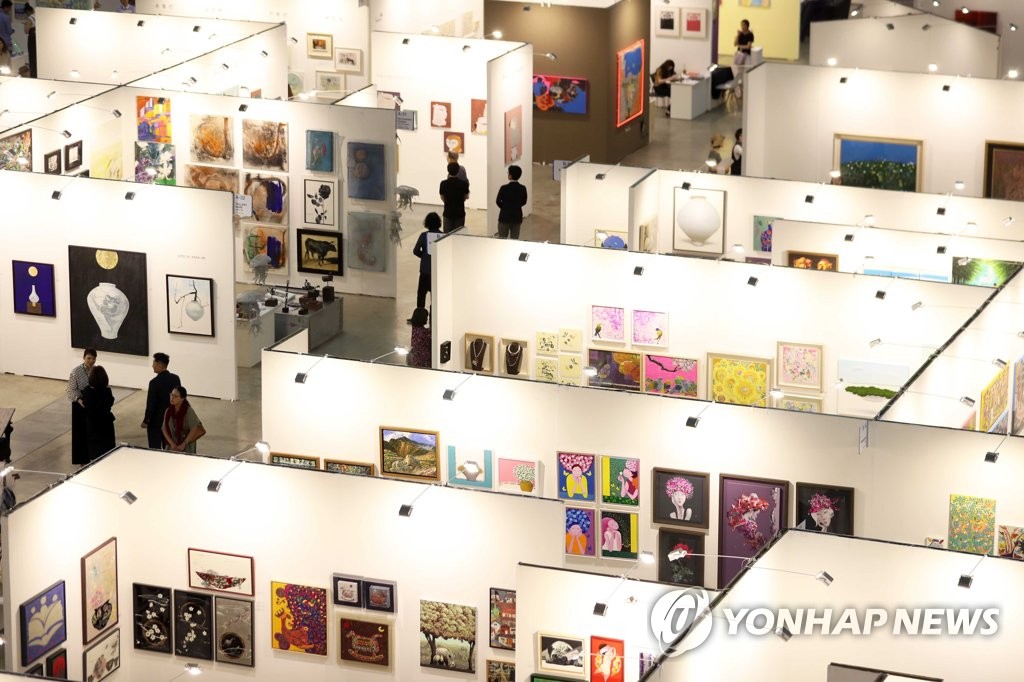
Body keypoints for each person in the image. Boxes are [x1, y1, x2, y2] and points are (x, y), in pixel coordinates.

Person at [142, 352, 180, 449]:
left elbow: (151, 404)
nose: (152, 366)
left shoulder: (154, 383)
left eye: (154, 363)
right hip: (171, 419)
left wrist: (146, 420)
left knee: (154, 448)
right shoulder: (176, 379)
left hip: (156, 422)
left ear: (159, 364)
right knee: (169, 447)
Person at [67, 348, 97, 466]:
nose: (91, 361)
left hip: (92, 405)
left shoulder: (96, 370)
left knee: (92, 432)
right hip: (79, 406)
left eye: (93, 358)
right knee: (80, 434)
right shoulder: (76, 371)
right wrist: (80, 400)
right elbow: (70, 390)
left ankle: (93, 457)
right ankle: (82, 461)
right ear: (84, 358)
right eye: (89, 358)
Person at [81, 365, 115, 463]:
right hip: (106, 424)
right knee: (107, 452)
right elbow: (110, 402)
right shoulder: (107, 391)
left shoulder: (87, 391)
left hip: (93, 425)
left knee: (94, 453)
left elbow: (86, 405)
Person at [411, 212, 442, 313]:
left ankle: (420, 315)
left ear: (427, 223)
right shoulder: (443, 236)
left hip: (425, 271)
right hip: (437, 272)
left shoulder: (423, 236)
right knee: (436, 296)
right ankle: (435, 315)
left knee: (421, 294)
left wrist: (424, 256)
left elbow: (415, 251)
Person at [162, 386, 206, 453]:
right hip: (171, 446)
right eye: (171, 394)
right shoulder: (168, 411)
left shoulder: (189, 411)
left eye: (175, 396)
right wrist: (172, 443)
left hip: (185, 447)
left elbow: (194, 428)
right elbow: (164, 428)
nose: (172, 398)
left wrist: (184, 444)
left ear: (182, 398)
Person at [495, 164, 528, 240]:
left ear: (510, 176)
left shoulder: (504, 188)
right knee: (514, 241)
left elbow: (498, 201)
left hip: (504, 217)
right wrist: (516, 206)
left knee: (502, 240)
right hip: (517, 217)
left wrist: (505, 207)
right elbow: (524, 201)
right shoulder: (522, 188)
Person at [438, 162, 469, 233]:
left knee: (447, 235)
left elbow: (442, 196)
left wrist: (447, 202)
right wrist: (460, 201)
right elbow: (466, 196)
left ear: (448, 170)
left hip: (447, 213)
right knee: (459, 235)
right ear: (458, 171)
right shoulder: (463, 184)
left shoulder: (443, 183)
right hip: (460, 213)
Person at [0, 0, 14, 73]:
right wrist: (13, 30)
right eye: (9, 8)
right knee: (7, 62)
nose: (10, 10)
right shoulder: (6, 17)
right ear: (5, 7)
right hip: (6, 42)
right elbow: (9, 31)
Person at [21, 3, 33, 78]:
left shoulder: (30, 19)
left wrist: (25, 24)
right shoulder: (37, 16)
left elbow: (26, 31)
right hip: (37, 40)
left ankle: (32, 74)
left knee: (32, 57)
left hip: (32, 39)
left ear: (28, 11)